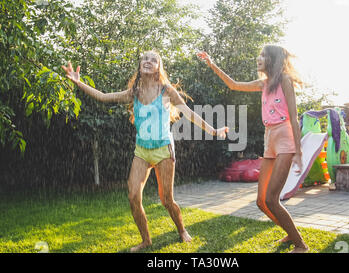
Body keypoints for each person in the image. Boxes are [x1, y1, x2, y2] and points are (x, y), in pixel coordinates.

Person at [62, 50, 228, 252]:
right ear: (140, 66)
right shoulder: (135, 91)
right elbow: (105, 97)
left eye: (153, 59)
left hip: (163, 150)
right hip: (142, 150)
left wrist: (214, 131)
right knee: (133, 196)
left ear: (159, 67)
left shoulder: (166, 91)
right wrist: (79, 83)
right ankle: (146, 240)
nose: (147, 61)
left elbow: (190, 114)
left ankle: (182, 230)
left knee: (166, 199)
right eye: (144, 59)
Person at [197, 45, 309, 253]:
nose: (258, 58)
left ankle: (301, 245)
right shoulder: (263, 84)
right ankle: (291, 232)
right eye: (259, 54)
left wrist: (298, 151)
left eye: (263, 55)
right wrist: (212, 64)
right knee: (261, 202)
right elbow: (233, 85)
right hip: (270, 138)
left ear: (273, 60)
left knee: (271, 199)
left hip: (285, 136)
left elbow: (294, 116)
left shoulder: (284, 80)